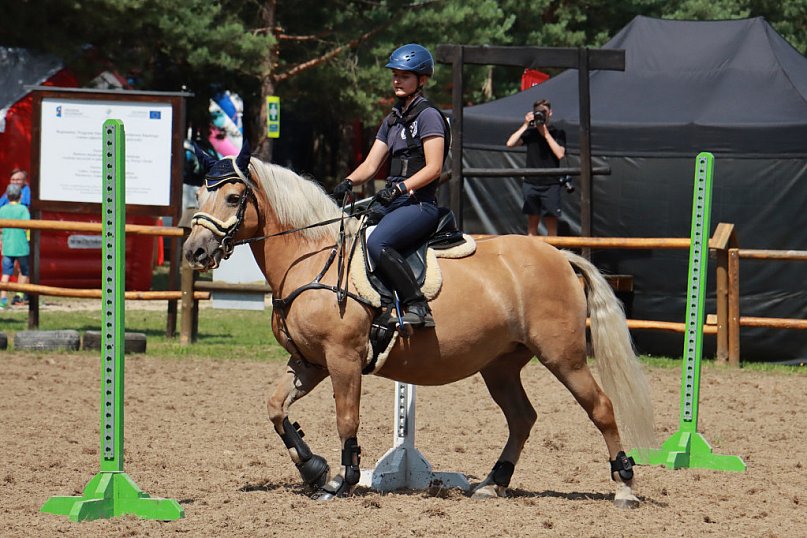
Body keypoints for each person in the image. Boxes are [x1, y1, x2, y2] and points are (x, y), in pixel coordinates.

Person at [331, 43, 448, 328]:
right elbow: (371, 166)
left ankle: (418, 306)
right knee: (354, 235)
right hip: (394, 203)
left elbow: (434, 168)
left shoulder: (428, 115)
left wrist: (398, 187)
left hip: (419, 204)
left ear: (422, 80)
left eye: (404, 75)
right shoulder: (392, 119)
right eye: (395, 74)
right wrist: (347, 182)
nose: (397, 80)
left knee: (378, 242)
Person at [506, 99, 566, 236]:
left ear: (550, 113)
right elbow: (510, 143)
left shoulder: (558, 132)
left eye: (544, 112)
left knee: (551, 225)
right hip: (531, 183)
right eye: (538, 112)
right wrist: (525, 125)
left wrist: (545, 133)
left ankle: (552, 255)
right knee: (532, 225)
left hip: (551, 184)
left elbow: (560, 154)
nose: (541, 115)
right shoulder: (530, 132)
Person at [0, 183, 31, 309]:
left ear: (7, 196)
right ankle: (19, 295)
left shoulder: (2, 209)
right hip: (21, 245)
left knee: (6, 272)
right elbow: (26, 226)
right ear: (21, 196)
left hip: (7, 244)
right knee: (24, 271)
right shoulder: (23, 209)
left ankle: (2, 299)